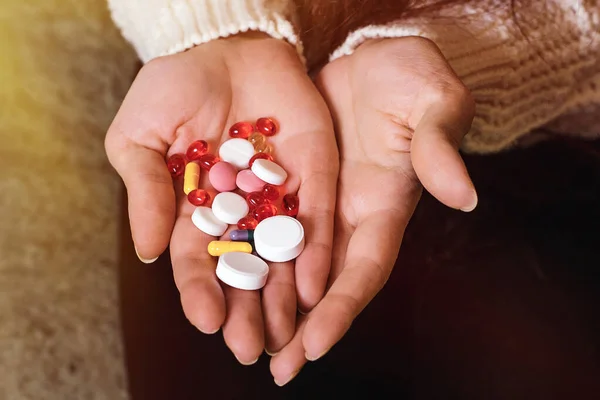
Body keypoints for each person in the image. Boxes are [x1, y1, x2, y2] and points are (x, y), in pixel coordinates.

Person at [105, 0, 599, 386]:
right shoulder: (218, 166)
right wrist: (216, 26)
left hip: (543, 153)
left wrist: (449, 49)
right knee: (208, 352)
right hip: (217, 77)